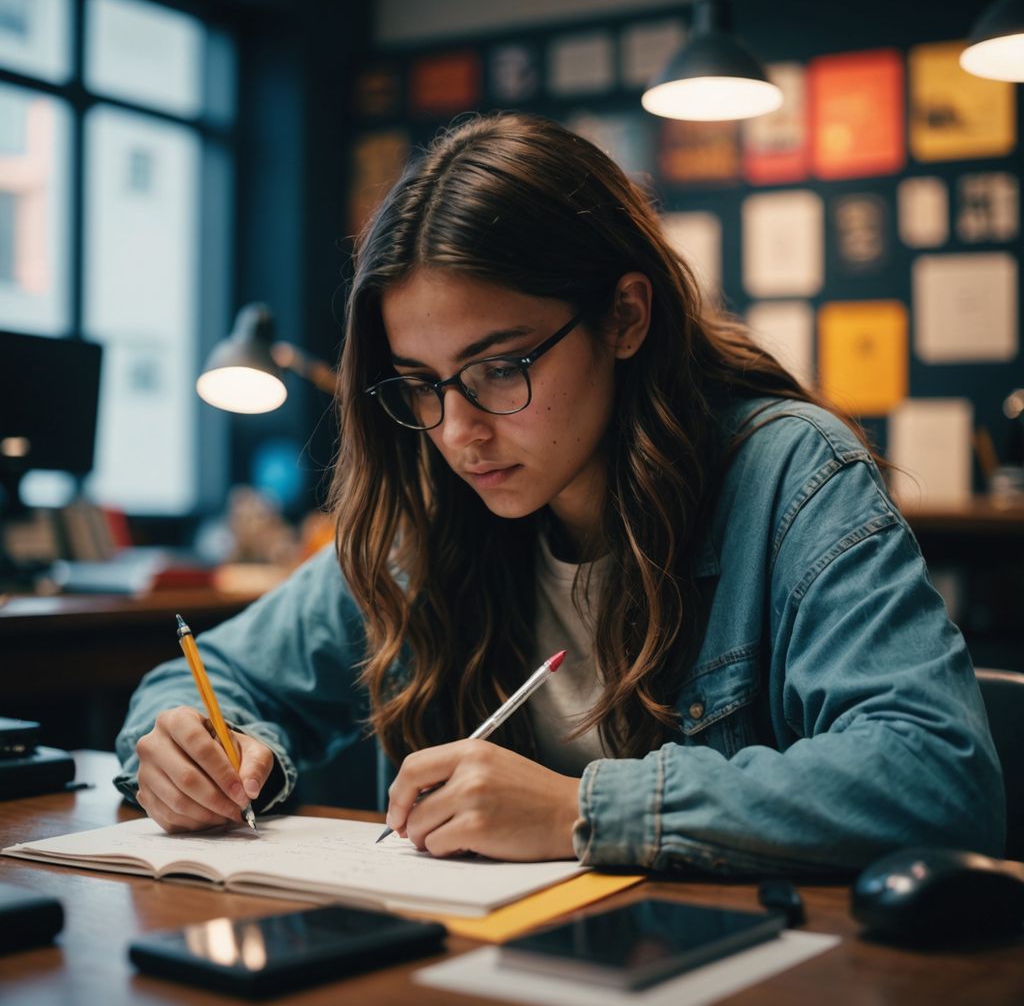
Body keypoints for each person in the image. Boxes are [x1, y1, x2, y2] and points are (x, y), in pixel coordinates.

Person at [115, 113, 1005, 875]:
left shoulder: (789, 478)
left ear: (625, 316)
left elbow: (936, 776)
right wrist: (197, 750)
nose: (458, 431)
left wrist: (583, 808)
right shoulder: (429, 512)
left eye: (499, 368)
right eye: (421, 382)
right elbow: (202, 677)